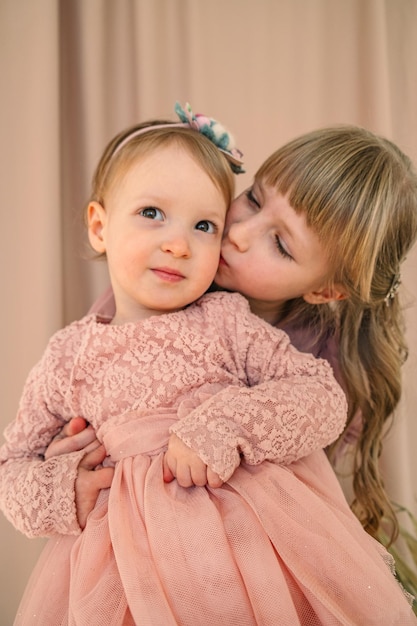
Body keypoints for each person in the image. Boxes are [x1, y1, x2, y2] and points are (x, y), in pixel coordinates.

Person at [43, 119, 417, 624]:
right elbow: (97, 398)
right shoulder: (159, 286)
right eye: (255, 199)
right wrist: (62, 461)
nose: (236, 234)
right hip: (139, 548)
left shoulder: (315, 363)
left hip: (244, 563)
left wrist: (229, 425)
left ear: (325, 290)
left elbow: (295, 490)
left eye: (281, 245)